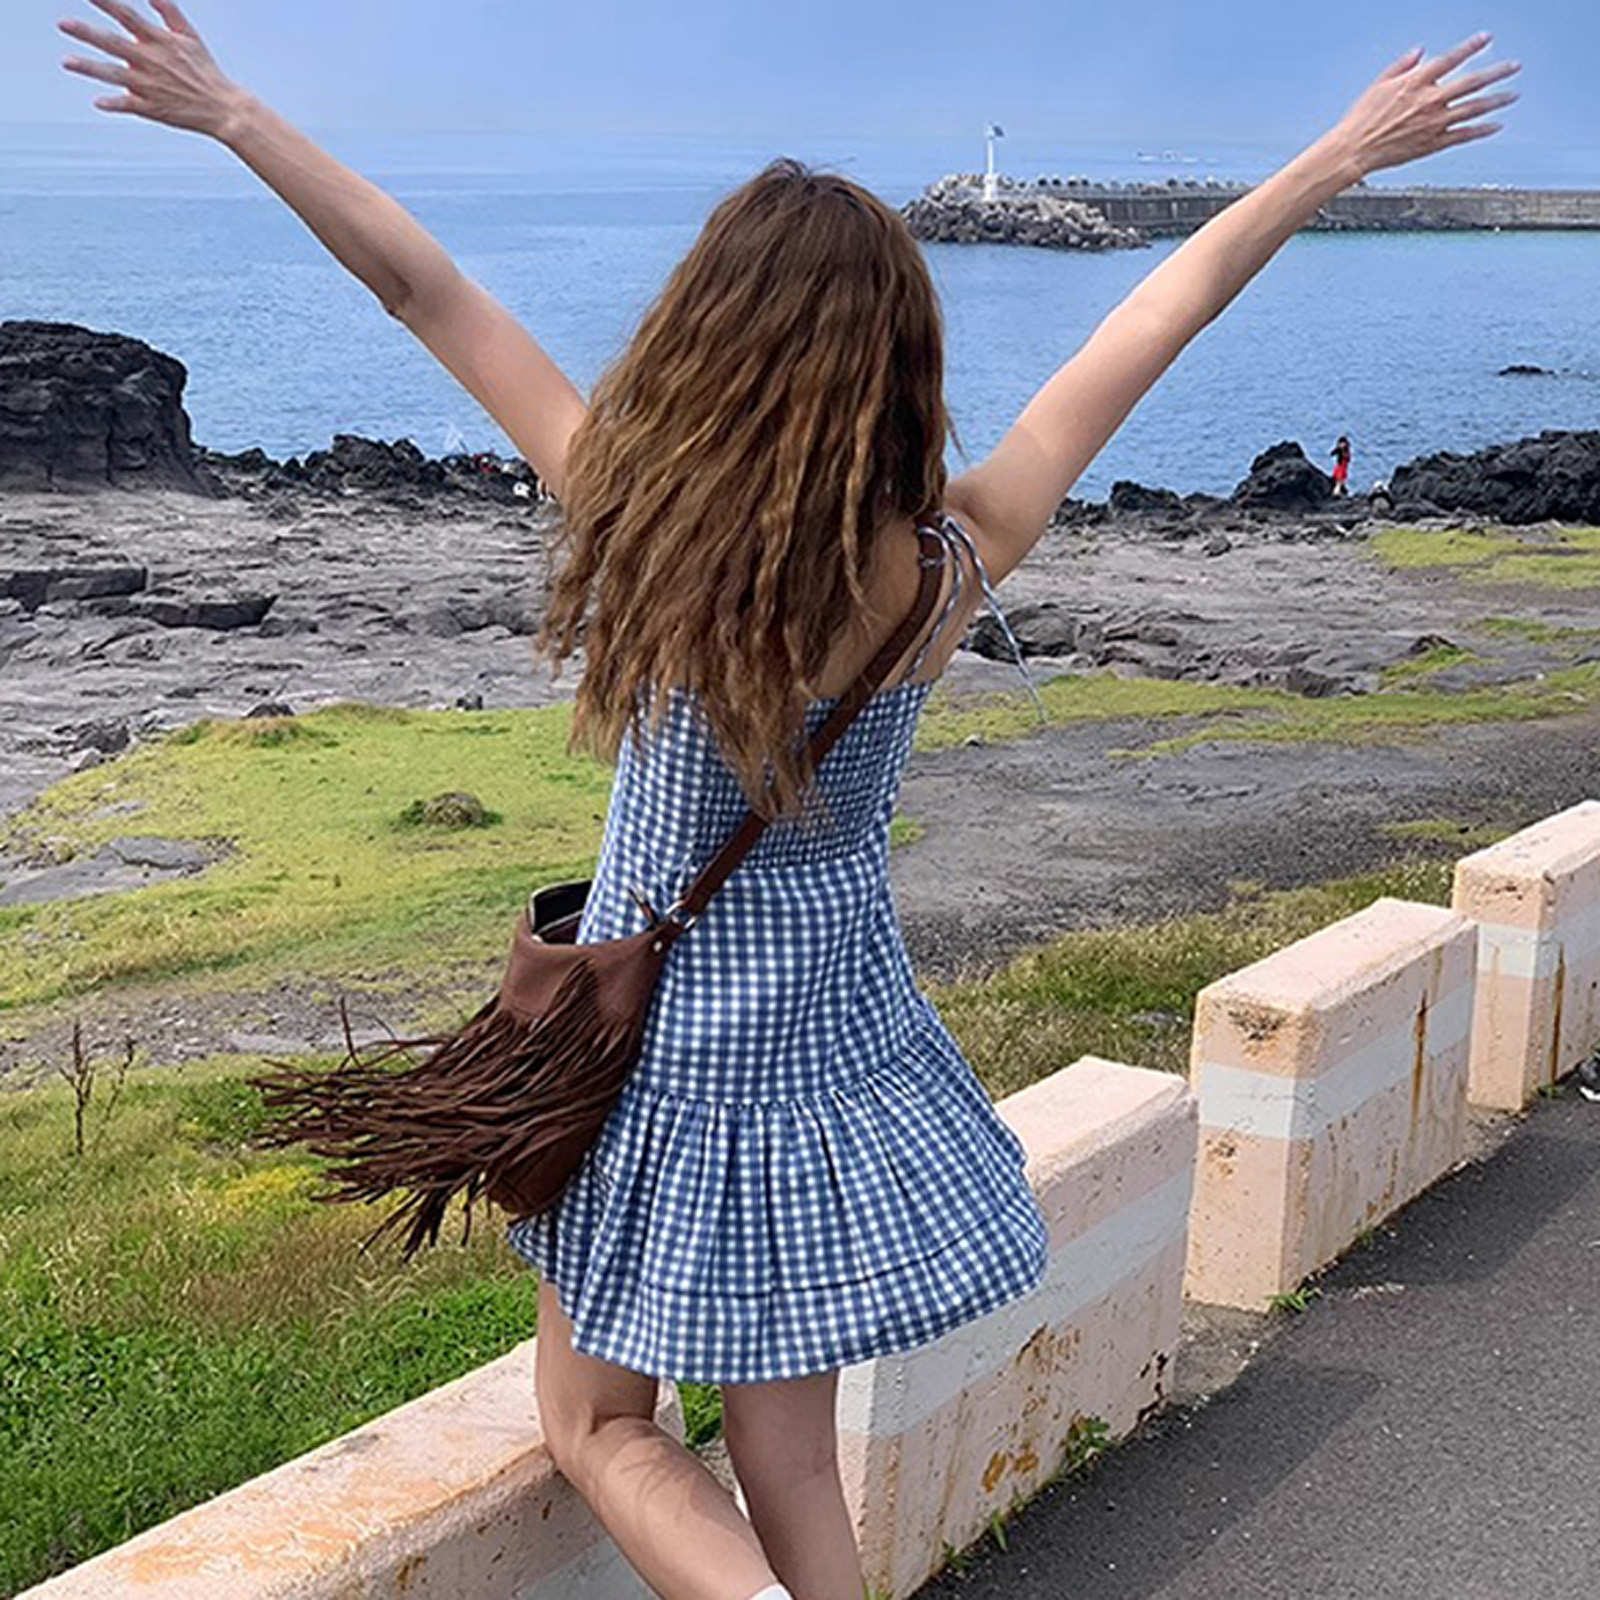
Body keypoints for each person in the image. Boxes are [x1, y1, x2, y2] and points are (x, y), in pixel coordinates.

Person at [56, 7, 1516, 1598]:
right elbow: (1158, 314)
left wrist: (236, 114)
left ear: (705, 345)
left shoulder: (638, 526)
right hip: (832, 1034)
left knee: (598, 1423)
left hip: (662, 1050)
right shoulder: (946, 567)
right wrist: (1334, 157)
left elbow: (424, 290)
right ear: (900, 370)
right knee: (791, 1455)